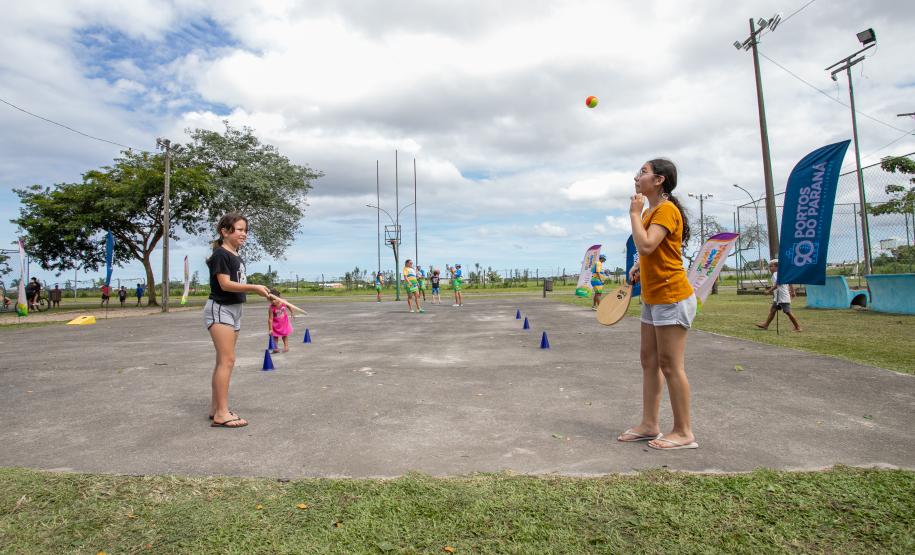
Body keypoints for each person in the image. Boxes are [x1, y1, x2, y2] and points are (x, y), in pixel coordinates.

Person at [618, 158, 699, 451]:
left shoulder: (665, 210)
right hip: (653, 297)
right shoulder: (652, 212)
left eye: (643, 172)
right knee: (649, 361)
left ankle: (684, 432)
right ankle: (649, 424)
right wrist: (639, 267)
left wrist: (633, 213)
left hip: (672, 296)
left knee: (670, 365)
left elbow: (647, 244)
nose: (636, 177)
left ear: (659, 180)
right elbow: (650, 253)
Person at [205, 213, 271, 428]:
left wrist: (262, 291)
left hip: (234, 310)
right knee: (227, 360)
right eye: (240, 230)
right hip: (220, 309)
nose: (244, 234)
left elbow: (237, 283)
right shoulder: (221, 254)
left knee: (223, 361)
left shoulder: (236, 255)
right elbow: (224, 284)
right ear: (224, 231)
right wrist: (254, 287)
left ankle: (216, 408)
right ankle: (221, 413)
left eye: (245, 230)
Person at [756, 260, 802, 332]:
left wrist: (768, 291)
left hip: (782, 297)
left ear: (777, 267)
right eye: (769, 266)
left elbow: (778, 284)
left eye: (771, 266)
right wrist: (793, 291)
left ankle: (798, 327)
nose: (770, 268)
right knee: (773, 310)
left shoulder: (775, 274)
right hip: (779, 297)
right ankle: (766, 325)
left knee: (788, 312)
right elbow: (789, 282)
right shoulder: (783, 273)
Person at [267, 288, 294, 353]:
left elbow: (289, 306)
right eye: (271, 300)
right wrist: (270, 329)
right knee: (275, 336)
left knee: (284, 335)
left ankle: (286, 346)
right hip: (276, 325)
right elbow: (270, 319)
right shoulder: (271, 308)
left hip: (284, 323)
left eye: (274, 299)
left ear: (278, 297)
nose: (273, 301)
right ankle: (275, 348)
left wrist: (292, 312)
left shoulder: (284, 302)